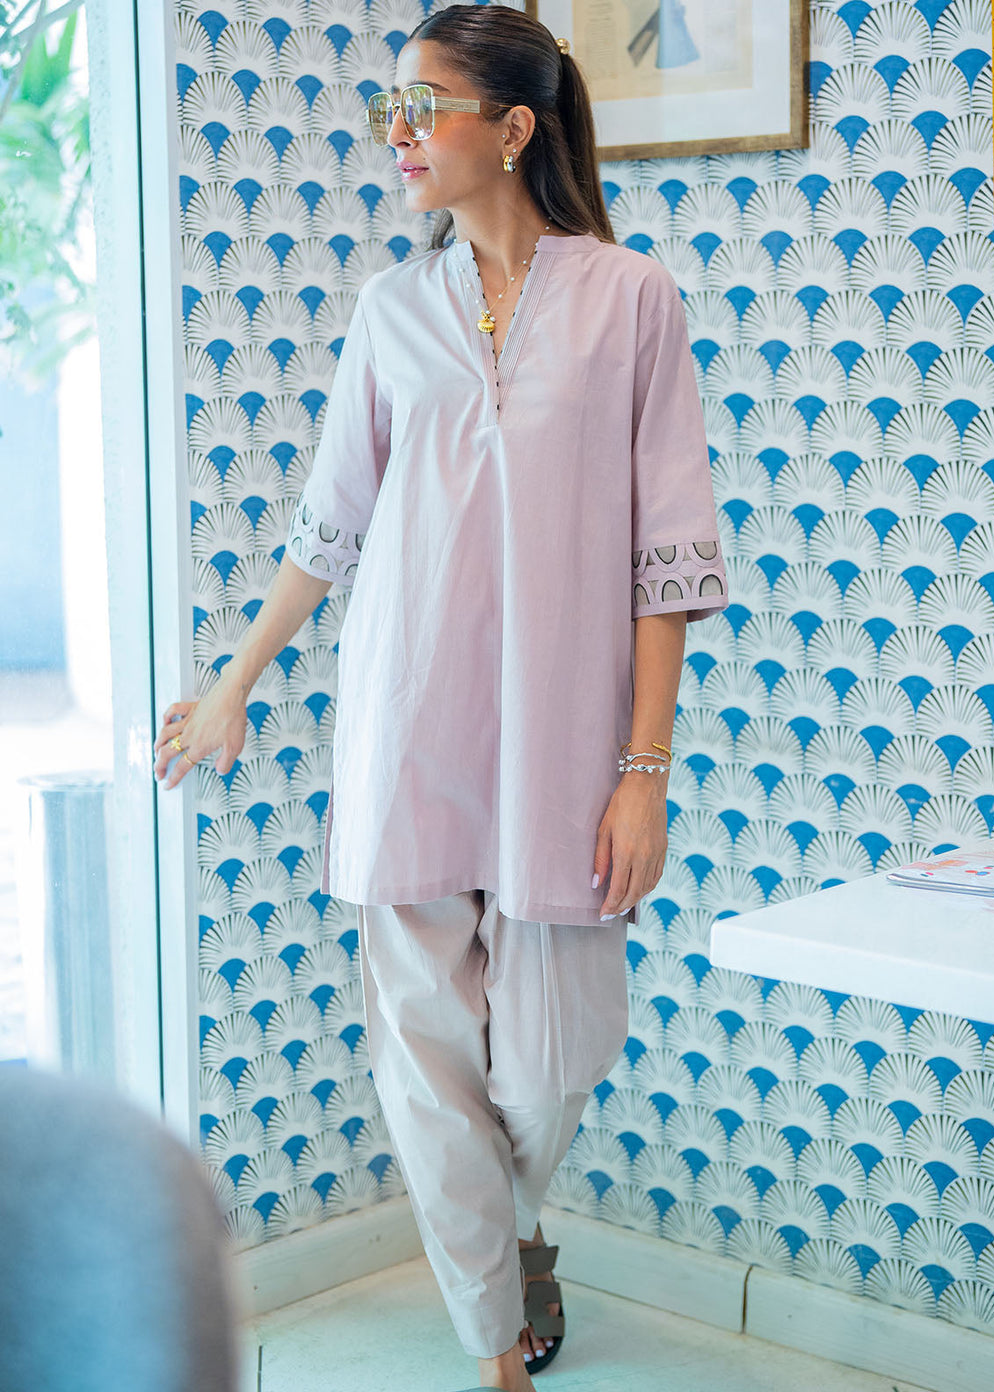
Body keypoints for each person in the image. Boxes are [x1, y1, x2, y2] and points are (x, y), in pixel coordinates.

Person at [154, 7, 728, 1390]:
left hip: (566, 745)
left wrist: (643, 774)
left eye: (424, 108)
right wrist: (234, 682)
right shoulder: (390, 310)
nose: (399, 136)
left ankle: (510, 1235)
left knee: (546, 1061)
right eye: (390, 112)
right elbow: (330, 526)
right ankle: (495, 1342)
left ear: (515, 128)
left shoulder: (632, 299)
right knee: (423, 1058)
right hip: (408, 721)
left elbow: (668, 558)